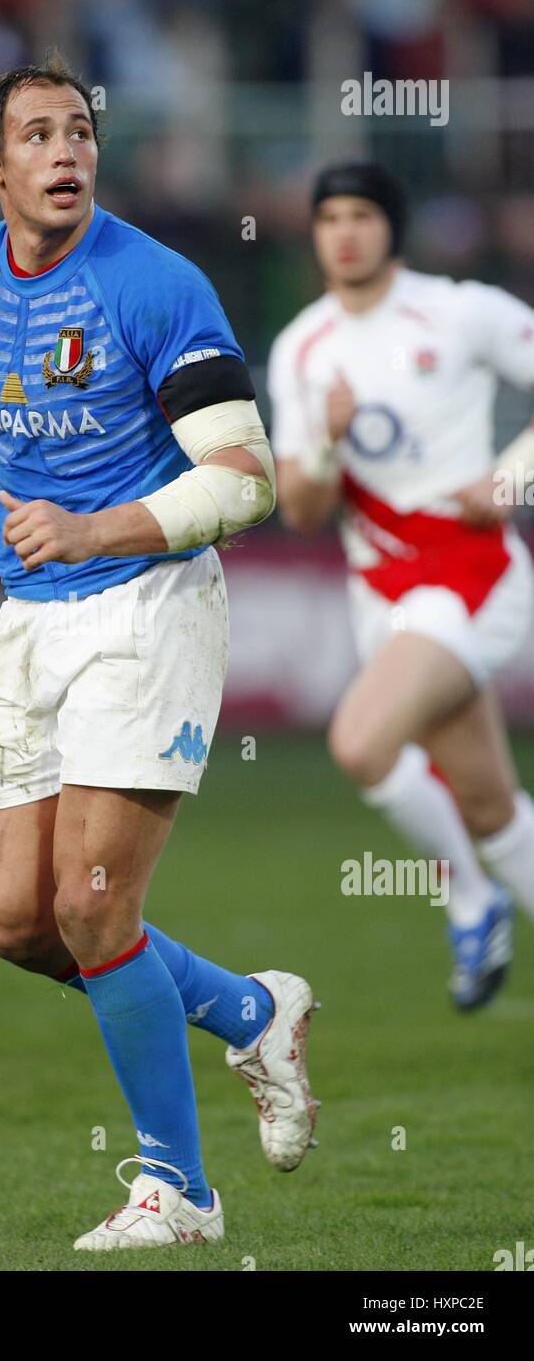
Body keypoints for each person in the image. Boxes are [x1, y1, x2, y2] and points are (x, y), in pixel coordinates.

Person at [0, 51, 320, 1250]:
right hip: (29, 621)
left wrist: (92, 525)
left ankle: (176, 1190)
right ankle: (248, 1008)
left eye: (79, 131)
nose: (65, 153)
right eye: (35, 137)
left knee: (94, 904)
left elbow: (245, 482)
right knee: (15, 922)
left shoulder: (156, 284)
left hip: (148, 603)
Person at [268, 160, 534, 1010]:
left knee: (360, 742)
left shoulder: (456, 311)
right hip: (380, 597)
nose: (344, 231)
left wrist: (512, 477)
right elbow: (302, 509)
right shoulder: (300, 348)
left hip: (469, 574)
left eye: (361, 215)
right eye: (329, 217)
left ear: (391, 227)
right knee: (491, 808)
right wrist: (323, 443)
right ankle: (487, 887)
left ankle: (469, 899)